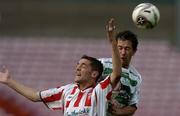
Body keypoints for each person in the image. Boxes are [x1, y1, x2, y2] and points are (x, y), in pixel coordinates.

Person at [0, 18, 121, 116]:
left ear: (94, 74)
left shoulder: (99, 90)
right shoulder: (66, 91)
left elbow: (116, 74)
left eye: (83, 66)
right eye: (77, 65)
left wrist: (113, 43)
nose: (77, 68)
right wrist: (9, 81)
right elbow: (35, 96)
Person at [99, 30, 142, 116]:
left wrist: (120, 112)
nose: (123, 53)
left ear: (134, 51)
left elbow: (133, 106)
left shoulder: (136, 77)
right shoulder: (102, 64)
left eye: (127, 49)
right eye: (120, 48)